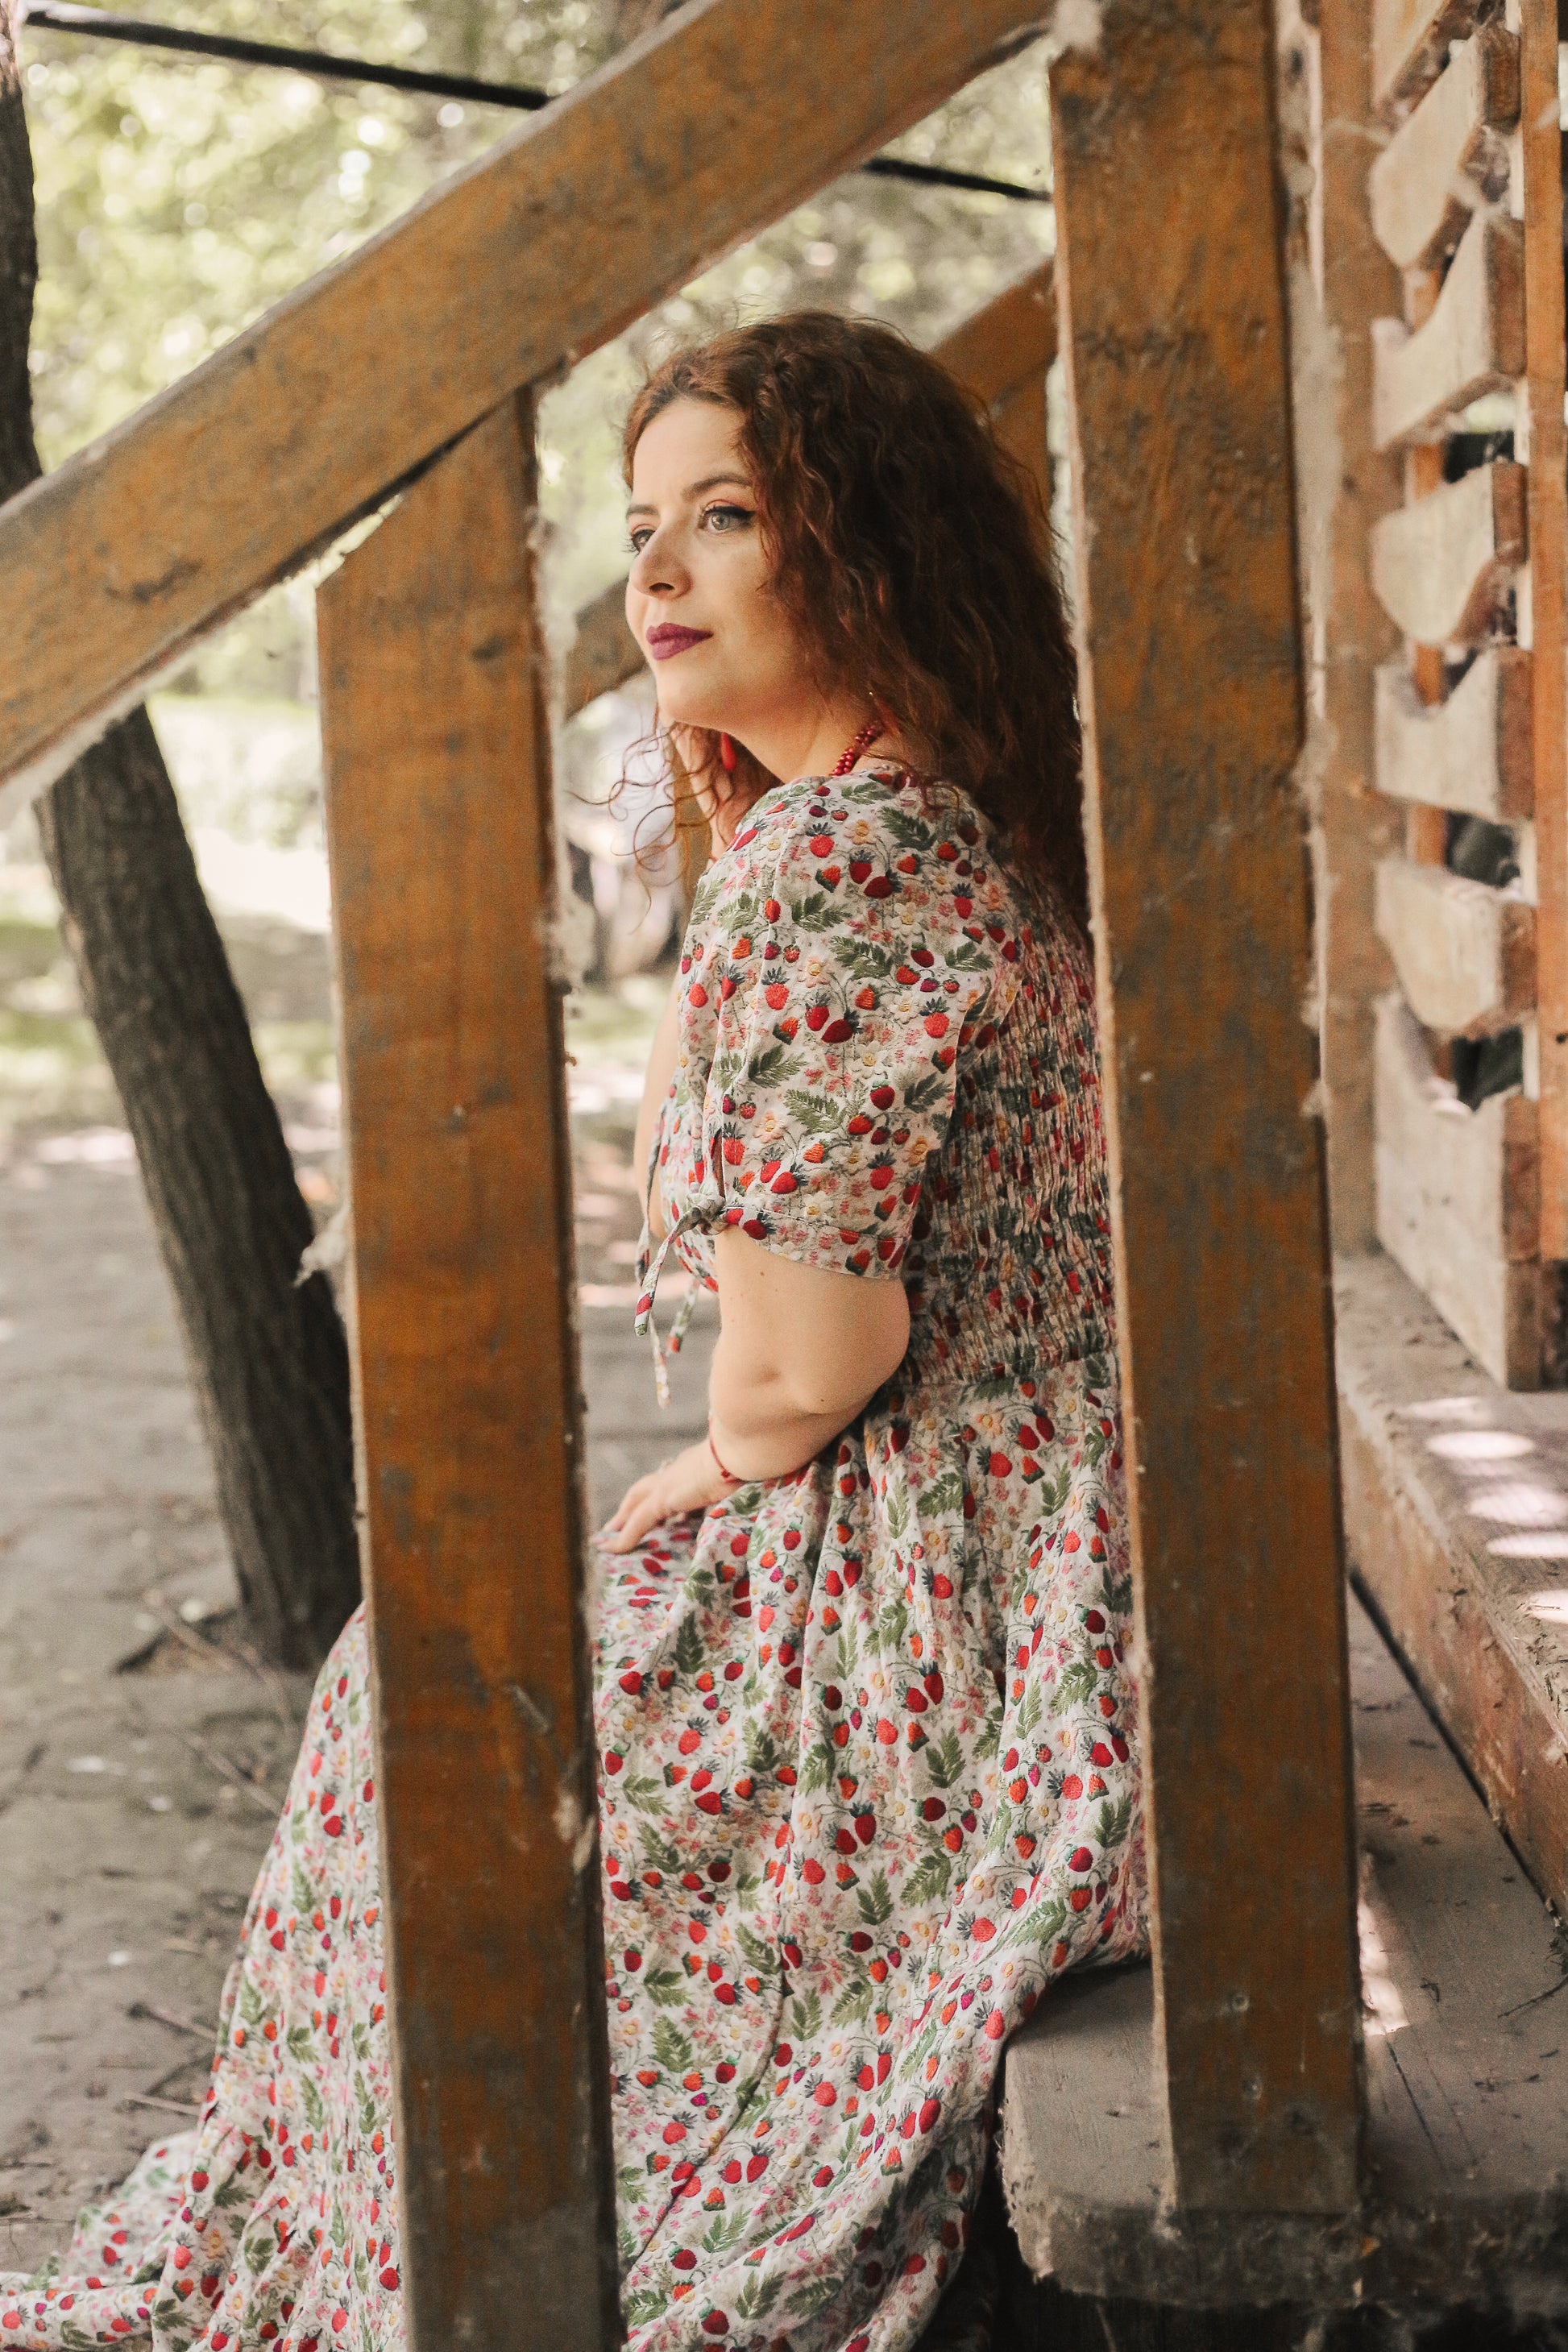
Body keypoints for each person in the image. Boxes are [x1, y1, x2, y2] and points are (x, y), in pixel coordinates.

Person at [0, 311, 1144, 2352]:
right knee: (441, 1692)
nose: (659, 575)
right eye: (643, 527)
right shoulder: (961, 819)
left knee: (445, 1712)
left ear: (862, 545)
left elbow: (807, 1362)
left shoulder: (839, 866)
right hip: (1064, 1547)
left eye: (727, 515)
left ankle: (447, 2273)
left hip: (943, 1585)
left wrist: (708, 1461)